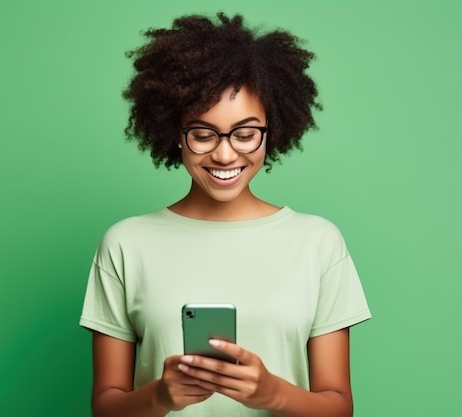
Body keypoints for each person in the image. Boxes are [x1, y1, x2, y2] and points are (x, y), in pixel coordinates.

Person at [79, 13, 371, 417]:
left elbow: (338, 407)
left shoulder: (318, 242)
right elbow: (106, 407)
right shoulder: (126, 243)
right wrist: (162, 396)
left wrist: (272, 393)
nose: (225, 153)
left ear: (274, 129)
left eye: (246, 133)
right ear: (174, 134)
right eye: (202, 134)